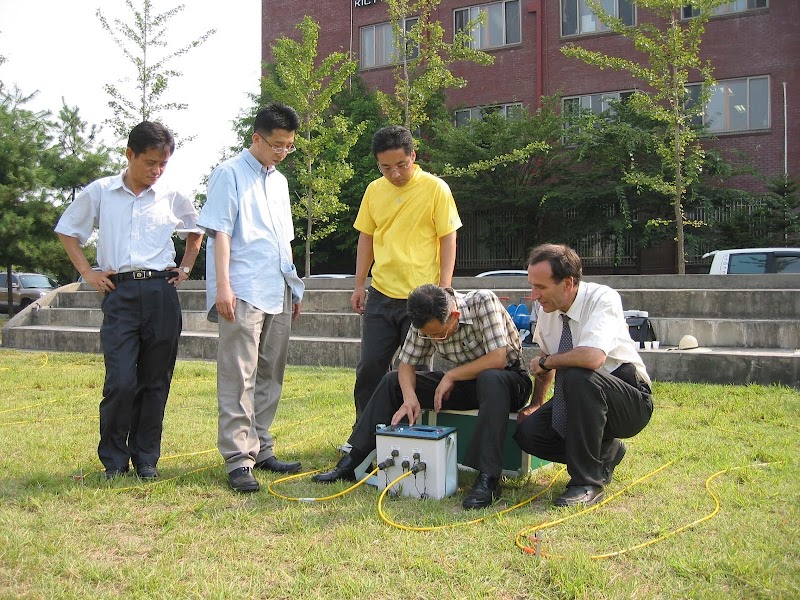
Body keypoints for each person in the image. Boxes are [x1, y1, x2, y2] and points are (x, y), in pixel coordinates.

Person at [55, 121, 203, 480]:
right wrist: (88, 273)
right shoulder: (101, 192)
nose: (156, 171)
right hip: (118, 292)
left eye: (163, 164)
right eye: (150, 162)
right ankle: (114, 460)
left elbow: (195, 231)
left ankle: (146, 458)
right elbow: (68, 231)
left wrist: (185, 268)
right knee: (120, 381)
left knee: (156, 380)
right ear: (129, 154)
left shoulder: (172, 194)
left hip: (160, 293)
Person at [313, 284, 532, 510]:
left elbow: (498, 358)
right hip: (465, 383)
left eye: (438, 334)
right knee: (392, 382)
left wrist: (451, 375)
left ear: (454, 316)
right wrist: (409, 397)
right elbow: (406, 364)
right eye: (429, 336)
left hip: (508, 381)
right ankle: (354, 460)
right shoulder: (424, 317)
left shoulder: (483, 302)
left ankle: (488, 478)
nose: (434, 339)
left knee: (491, 378)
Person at [197, 103, 305, 493]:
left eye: (289, 146)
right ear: (256, 138)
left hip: (277, 286)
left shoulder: (280, 182)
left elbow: (284, 239)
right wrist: (223, 288)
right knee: (238, 375)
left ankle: (262, 447)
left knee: (270, 373)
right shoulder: (228, 174)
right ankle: (238, 459)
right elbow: (220, 233)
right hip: (242, 289)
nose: (283, 152)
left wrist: (294, 285)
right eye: (277, 145)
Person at [513, 244, 654, 507]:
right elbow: (546, 358)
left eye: (541, 287)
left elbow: (592, 358)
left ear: (567, 283)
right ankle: (605, 451)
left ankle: (587, 482)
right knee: (529, 433)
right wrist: (536, 403)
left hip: (629, 398)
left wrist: (547, 362)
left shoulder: (603, 299)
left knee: (579, 375)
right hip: (579, 395)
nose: (534, 295)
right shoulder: (547, 311)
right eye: (532, 286)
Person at [351, 125, 462, 424]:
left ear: (413, 155)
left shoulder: (436, 188)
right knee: (370, 368)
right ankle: (365, 432)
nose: (395, 174)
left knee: (419, 371)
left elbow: (448, 238)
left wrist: (445, 288)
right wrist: (359, 284)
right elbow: (366, 237)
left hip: (422, 297)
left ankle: (417, 431)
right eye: (386, 168)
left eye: (401, 164)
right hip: (381, 293)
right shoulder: (374, 190)